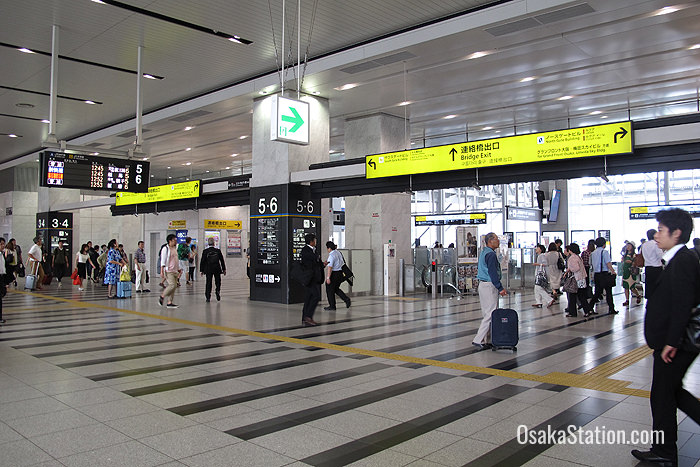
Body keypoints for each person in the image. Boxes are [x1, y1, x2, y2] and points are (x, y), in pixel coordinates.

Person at [631, 208, 700, 466]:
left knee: (663, 394)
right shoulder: (679, 258)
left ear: (676, 232)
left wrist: (671, 341)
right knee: (669, 393)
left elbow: (683, 304)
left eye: (661, 230)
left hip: (676, 344)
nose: (657, 235)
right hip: (674, 342)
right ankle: (664, 449)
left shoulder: (683, 260)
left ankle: (664, 451)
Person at [473, 232, 507, 350]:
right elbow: (492, 272)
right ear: (490, 241)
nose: (498, 241)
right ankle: (478, 339)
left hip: (483, 285)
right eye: (496, 239)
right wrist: (500, 287)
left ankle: (488, 339)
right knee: (491, 314)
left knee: (488, 313)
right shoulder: (491, 255)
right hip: (489, 285)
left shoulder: (484, 252)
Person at [563, 244, 594, 318]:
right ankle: (587, 310)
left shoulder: (572, 258)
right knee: (581, 295)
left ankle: (572, 312)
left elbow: (576, 268)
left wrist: (570, 270)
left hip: (576, 279)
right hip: (582, 278)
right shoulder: (578, 257)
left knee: (572, 296)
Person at [300, 233, 323, 326]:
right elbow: (310, 262)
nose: (315, 242)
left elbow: (316, 262)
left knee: (308, 298)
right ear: (311, 241)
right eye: (314, 240)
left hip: (314, 277)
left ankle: (305, 317)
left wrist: (322, 264)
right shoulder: (305, 250)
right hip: (309, 278)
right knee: (316, 296)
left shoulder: (314, 250)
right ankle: (308, 317)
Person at [591, 237, 617, 314]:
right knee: (608, 292)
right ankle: (611, 309)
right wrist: (613, 271)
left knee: (597, 292)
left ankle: (589, 307)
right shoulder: (604, 252)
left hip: (597, 274)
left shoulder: (593, 253)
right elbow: (608, 263)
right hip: (604, 274)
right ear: (603, 244)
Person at [323, 241, 351, 311]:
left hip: (334, 274)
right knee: (335, 289)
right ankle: (346, 299)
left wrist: (328, 278)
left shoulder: (331, 255)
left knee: (329, 289)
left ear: (329, 248)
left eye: (327, 248)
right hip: (340, 273)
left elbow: (330, 268)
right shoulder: (338, 252)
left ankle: (332, 306)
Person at [200, 237, 226, 302]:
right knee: (218, 281)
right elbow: (222, 260)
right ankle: (217, 291)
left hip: (208, 269)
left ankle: (208, 296)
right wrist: (224, 269)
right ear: (214, 243)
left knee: (208, 282)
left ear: (208, 243)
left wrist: (202, 270)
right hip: (217, 268)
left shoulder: (205, 251)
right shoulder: (218, 251)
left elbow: (202, 261)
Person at [159, 234, 181, 308]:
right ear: (170, 241)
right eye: (174, 240)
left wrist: (179, 268)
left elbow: (176, 259)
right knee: (172, 285)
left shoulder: (175, 248)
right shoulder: (165, 249)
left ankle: (169, 302)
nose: (175, 241)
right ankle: (162, 296)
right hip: (169, 270)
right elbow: (163, 260)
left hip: (175, 270)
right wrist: (162, 270)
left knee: (174, 287)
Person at [641, 229, 664, 298]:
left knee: (649, 286)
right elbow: (661, 256)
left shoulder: (644, 245)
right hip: (656, 267)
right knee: (657, 287)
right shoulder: (656, 244)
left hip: (648, 267)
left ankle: (649, 302)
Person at [621, 241, 643, 307]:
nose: (628, 247)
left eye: (629, 246)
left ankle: (638, 295)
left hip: (631, 272)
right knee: (625, 287)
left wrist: (631, 262)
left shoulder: (634, 255)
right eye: (627, 246)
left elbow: (636, 262)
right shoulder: (625, 255)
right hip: (625, 272)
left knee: (632, 287)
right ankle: (627, 300)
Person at [532, 244, 550, 308]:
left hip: (540, 275)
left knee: (538, 288)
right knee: (536, 288)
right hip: (538, 274)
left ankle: (549, 299)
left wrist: (537, 264)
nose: (536, 249)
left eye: (538, 248)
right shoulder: (540, 256)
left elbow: (545, 263)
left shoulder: (541, 256)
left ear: (540, 249)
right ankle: (538, 302)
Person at [0, 238, 6, 324]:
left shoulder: (2, 254)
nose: (3, 246)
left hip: (1, 277)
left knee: (2, 293)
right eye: (1, 244)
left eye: (3, 244)